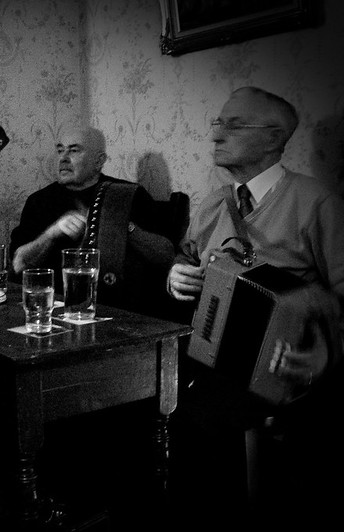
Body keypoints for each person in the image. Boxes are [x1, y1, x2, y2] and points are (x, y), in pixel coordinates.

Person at [166, 86, 344, 529]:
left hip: (283, 372)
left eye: (234, 124)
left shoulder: (317, 202)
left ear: (273, 138)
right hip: (207, 358)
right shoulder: (213, 203)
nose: (216, 134)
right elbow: (186, 259)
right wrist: (176, 276)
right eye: (217, 123)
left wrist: (324, 353)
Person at [9, 123, 179, 320]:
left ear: (99, 161)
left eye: (74, 150)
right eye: (60, 150)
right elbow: (18, 264)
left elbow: (166, 255)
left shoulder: (127, 195)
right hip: (53, 313)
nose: (63, 158)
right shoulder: (39, 201)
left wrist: (123, 225)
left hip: (116, 311)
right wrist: (51, 234)